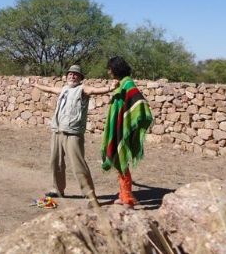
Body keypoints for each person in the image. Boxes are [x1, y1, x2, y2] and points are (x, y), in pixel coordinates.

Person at [32, 64, 115, 208]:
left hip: (73, 133)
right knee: (55, 162)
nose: (72, 76)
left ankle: (91, 197)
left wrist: (110, 88)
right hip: (57, 130)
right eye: (70, 74)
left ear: (80, 78)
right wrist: (37, 85)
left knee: (78, 166)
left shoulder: (82, 89)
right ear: (67, 76)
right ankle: (57, 190)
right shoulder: (64, 89)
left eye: (76, 74)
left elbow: (95, 90)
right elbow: (51, 89)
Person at [101, 56, 154, 209]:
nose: (108, 71)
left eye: (109, 68)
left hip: (123, 128)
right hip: (118, 126)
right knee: (119, 163)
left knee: (122, 162)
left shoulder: (128, 83)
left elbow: (139, 102)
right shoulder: (121, 83)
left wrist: (131, 123)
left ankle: (128, 199)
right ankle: (123, 195)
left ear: (115, 68)